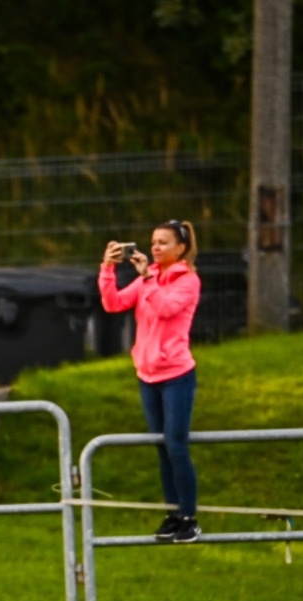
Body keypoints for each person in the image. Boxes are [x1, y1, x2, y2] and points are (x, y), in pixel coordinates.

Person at [99, 220, 204, 543]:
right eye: (153, 242)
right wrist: (107, 268)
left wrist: (147, 278)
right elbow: (113, 303)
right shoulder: (151, 278)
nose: (155, 248)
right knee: (161, 448)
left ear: (180, 248)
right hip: (148, 376)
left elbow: (166, 309)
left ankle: (189, 517)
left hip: (176, 376)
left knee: (176, 446)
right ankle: (172, 514)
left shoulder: (188, 281)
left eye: (162, 243)